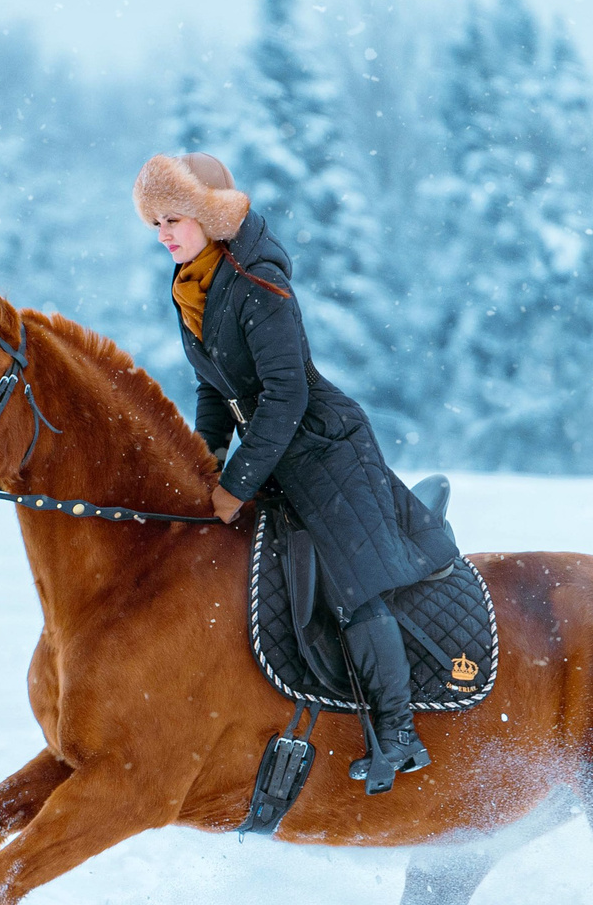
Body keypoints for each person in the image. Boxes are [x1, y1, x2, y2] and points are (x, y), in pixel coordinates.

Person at [136, 151, 442, 787]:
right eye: (156, 221)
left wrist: (235, 484)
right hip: (274, 447)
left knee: (350, 584)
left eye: (176, 219)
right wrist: (204, 460)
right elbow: (212, 389)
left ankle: (397, 733)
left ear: (209, 217)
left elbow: (286, 395)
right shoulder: (190, 285)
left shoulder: (258, 284)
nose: (165, 233)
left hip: (325, 448)